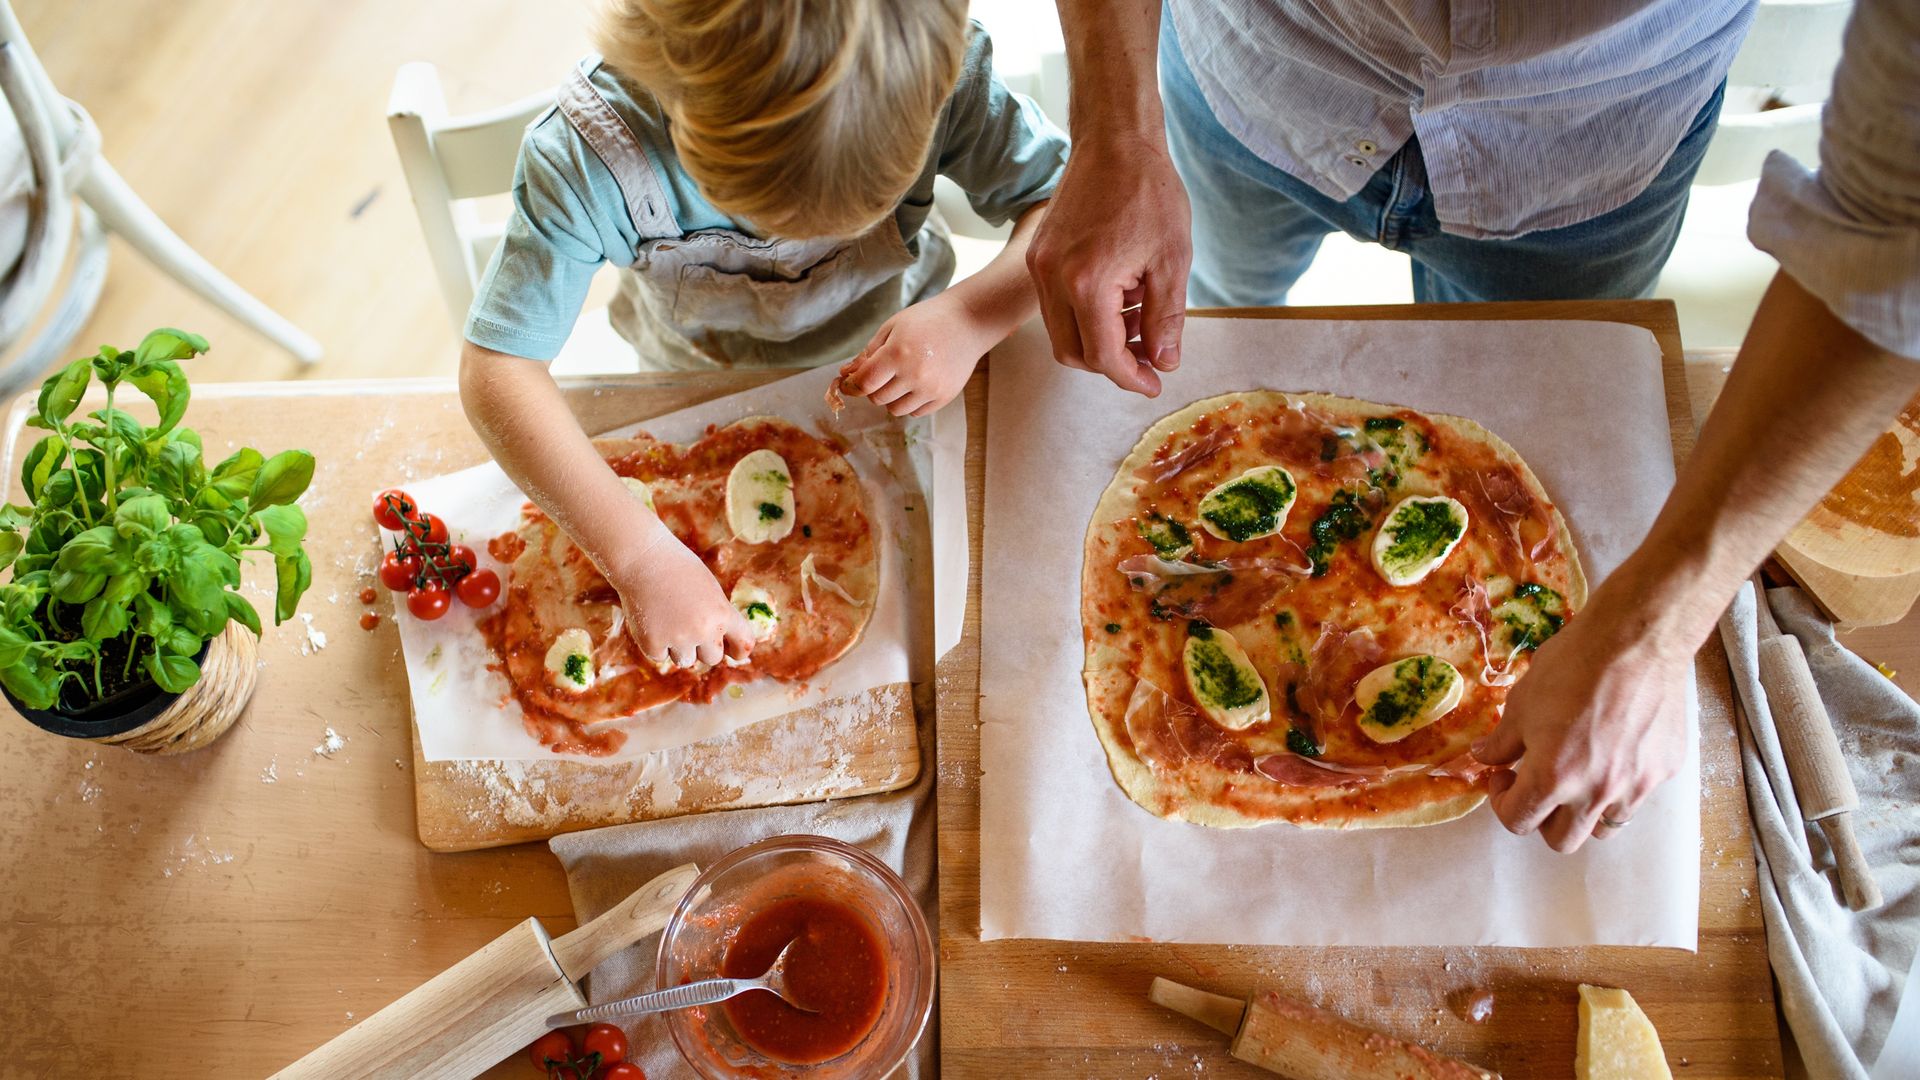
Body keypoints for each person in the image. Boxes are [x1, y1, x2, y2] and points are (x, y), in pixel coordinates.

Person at [1029, 0, 1920, 851]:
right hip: (1256, 80)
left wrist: (1657, 633)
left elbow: (1892, 246)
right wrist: (1118, 132)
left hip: (1588, 150)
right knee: (1217, 317)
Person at [458, 0, 1066, 670]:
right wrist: (641, 556)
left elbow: (1063, 204)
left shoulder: (942, 74)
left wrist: (974, 316)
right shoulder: (585, 159)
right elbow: (498, 373)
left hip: (912, 361)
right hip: (693, 371)